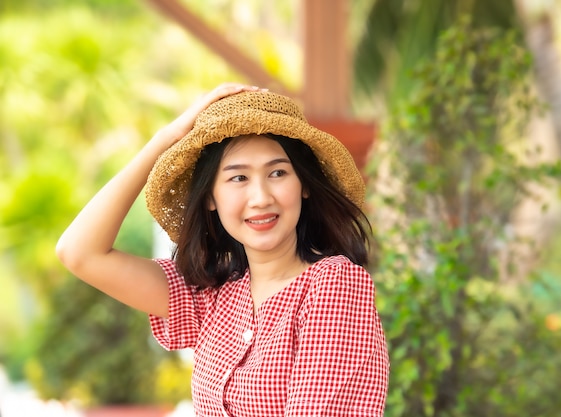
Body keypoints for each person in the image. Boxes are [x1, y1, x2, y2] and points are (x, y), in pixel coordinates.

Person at [56, 83, 389, 416]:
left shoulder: (334, 285)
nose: (261, 198)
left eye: (277, 173)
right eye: (238, 178)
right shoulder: (212, 295)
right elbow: (80, 252)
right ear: (211, 198)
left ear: (303, 185)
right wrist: (165, 139)